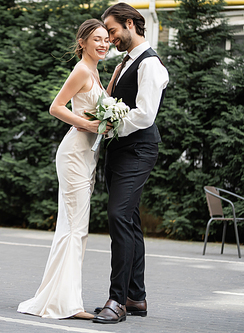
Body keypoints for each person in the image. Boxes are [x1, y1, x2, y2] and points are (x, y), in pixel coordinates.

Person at [17, 19, 110, 320]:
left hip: (87, 156)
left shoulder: (95, 70)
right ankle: (66, 304)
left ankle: (64, 299)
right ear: (82, 42)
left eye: (107, 39)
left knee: (76, 230)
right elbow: (56, 107)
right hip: (73, 155)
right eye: (97, 39)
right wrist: (89, 124)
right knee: (74, 229)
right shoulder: (82, 69)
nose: (103, 44)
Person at [91, 3, 169, 324]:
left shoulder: (151, 65)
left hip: (138, 149)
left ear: (131, 24)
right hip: (120, 150)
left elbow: (145, 114)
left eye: (112, 31)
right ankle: (136, 297)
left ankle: (118, 299)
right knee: (131, 221)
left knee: (119, 215)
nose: (110, 39)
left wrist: (111, 125)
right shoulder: (125, 62)